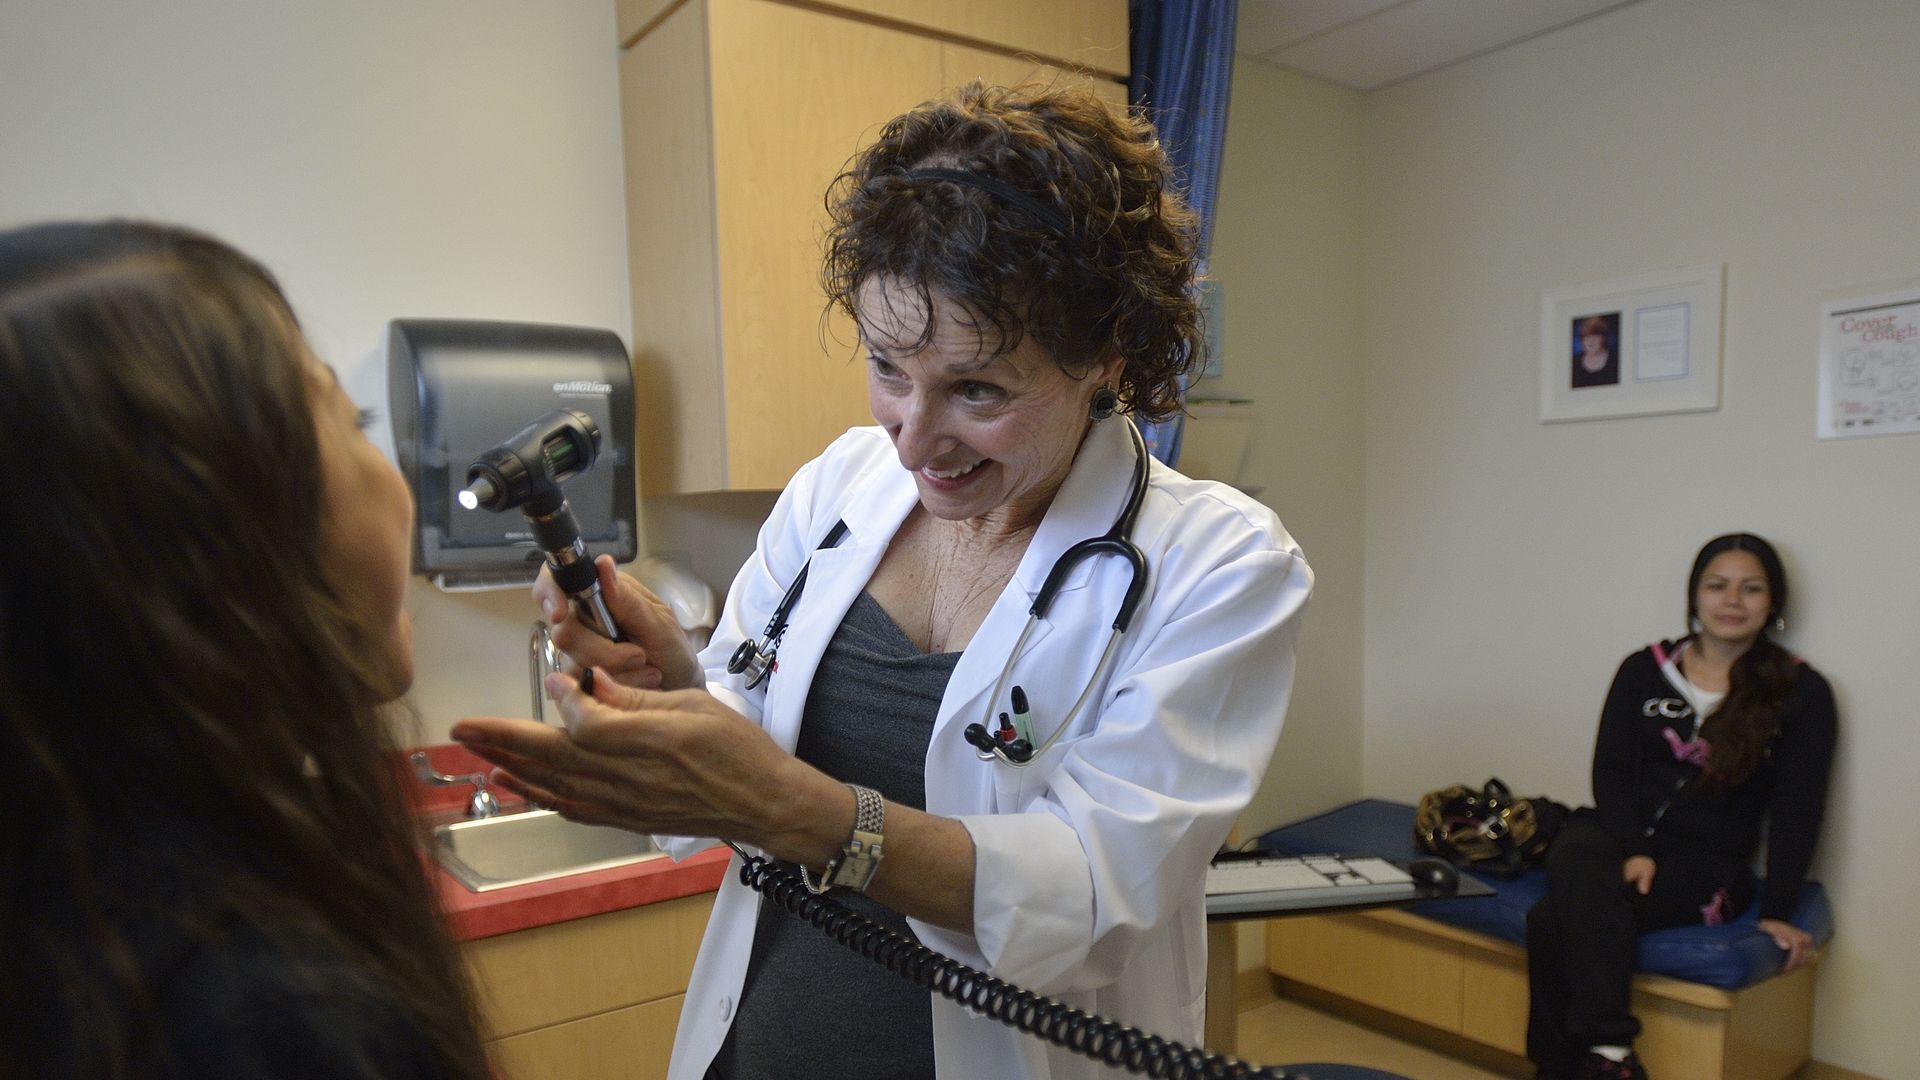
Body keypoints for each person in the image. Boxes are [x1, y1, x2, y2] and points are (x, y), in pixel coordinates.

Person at [451, 83, 1314, 1080]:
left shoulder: (1219, 566)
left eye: (978, 388)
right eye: (890, 367)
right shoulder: (838, 488)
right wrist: (676, 688)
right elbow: (746, 720)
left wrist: (808, 817)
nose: (914, 437)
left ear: (1105, 352)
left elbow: (1096, 891)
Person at [0, 221, 491, 1080]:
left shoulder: (72, 909)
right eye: (352, 422)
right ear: (211, 539)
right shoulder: (271, 1021)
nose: (397, 481)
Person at [1525, 533, 1837, 1080]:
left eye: (1751, 588)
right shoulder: (1641, 670)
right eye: (1717, 586)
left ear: (1773, 603)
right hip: (1617, 834)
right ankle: (1611, 1054)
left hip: (1706, 862)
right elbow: (1612, 774)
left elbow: (1798, 806)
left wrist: (1778, 909)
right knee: (1576, 850)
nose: (1732, 600)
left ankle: (1585, 1064)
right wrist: (1635, 849)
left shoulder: (1801, 691)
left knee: (1552, 918)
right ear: (1695, 597)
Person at [1571, 313, 1618, 388]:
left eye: (1595, 336)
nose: (1590, 341)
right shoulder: (1574, 362)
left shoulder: (1616, 360)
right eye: (1587, 336)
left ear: (1604, 337)